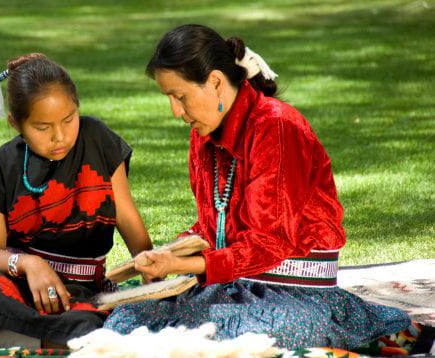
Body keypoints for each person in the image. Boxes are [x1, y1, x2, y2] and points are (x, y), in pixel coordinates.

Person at [103, 24, 411, 350]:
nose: (176, 112)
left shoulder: (276, 127)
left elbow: (270, 241)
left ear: (216, 82)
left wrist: (182, 265)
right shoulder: (203, 136)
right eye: (170, 99)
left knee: (223, 337)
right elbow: (214, 226)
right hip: (233, 285)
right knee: (128, 318)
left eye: (180, 97)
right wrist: (170, 254)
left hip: (297, 294)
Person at [0, 53, 152, 347]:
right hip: (15, 283)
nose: (59, 136)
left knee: (87, 334)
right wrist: (30, 264)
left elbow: (127, 217)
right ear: (15, 123)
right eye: (43, 128)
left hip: (78, 291)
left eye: (69, 119)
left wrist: (152, 271)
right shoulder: (0, 168)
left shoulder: (99, 141)